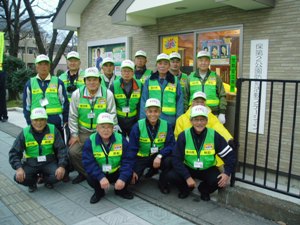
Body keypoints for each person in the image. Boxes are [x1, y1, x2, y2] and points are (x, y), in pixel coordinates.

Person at [166, 105, 235, 201]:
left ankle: (203, 190)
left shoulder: (214, 135)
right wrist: (187, 177)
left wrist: (227, 173)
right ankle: (186, 189)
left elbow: (230, 155)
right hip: (189, 167)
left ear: (206, 121)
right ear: (191, 121)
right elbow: (176, 159)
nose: (199, 123)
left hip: (207, 168)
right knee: (171, 176)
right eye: (196, 119)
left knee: (220, 182)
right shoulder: (184, 136)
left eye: (202, 120)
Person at [68, 67, 117, 184]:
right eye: (89, 80)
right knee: (73, 152)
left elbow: (112, 115)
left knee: (105, 152)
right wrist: (74, 134)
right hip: (83, 132)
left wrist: (111, 134)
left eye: (94, 79)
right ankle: (86, 174)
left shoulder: (107, 94)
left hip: (102, 132)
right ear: (84, 81)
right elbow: (73, 116)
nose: (92, 82)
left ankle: (101, 174)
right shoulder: (77, 94)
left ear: (99, 80)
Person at [8, 108, 68, 192]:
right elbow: (14, 152)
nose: (39, 123)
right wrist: (18, 168)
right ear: (31, 120)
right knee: (19, 177)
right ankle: (33, 182)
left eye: (42, 120)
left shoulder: (53, 129)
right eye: (35, 120)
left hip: (49, 162)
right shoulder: (25, 133)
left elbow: (62, 149)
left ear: (46, 120)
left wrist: (61, 166)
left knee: (60, 174)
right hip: (31, 163)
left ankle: (46, 180)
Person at [82, 113, 134, 204]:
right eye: (102, 127)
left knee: (128, 174)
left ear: (113, 128)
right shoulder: (90, 141)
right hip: (100, 172)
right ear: (97, 128)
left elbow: (128, 160)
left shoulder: (120, 139)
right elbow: (88, 163)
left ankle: (121, 191)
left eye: (109, 127)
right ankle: (99, 192)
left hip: (116, 171)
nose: (106, 130)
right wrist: (100, 177)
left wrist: (122, 178)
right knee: (90, 177)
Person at [130, 98, 175, 193]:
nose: (153, 114)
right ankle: (151, 170)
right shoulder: (137, 126)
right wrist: (131, 168)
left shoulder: (167, 125)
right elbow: (132, 149)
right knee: (132, 180)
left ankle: (163, 183)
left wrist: (160, 156)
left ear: (160, 112)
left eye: (156, 111)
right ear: (145, 112)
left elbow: (171, 145)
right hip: (142, 157)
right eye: (150, 111)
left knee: (169, 161)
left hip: (158, 156)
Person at [23, 54, 69, 135]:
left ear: (49, 66)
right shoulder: (30, 83)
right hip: (37, 123)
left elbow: (65, 103)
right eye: (40, 64)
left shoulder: (58, 82)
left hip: (56, 124)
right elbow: (26, 106)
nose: (43, 67)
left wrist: (65, 121)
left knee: (58, 146)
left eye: (46, 64)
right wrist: (29, 122)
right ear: (36, 67)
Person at [140, 53, 183, 128]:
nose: (162, 66)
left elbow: (180, 101)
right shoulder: (149, 80)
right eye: (160, 63)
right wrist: (143, 120)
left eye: (165, 64)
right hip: (152, 119)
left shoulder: (175, 80)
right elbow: (144, 100)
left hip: (170, 120)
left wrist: (179, 120)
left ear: (169, 66)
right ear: (156, 65)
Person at [185, 50, 227, 124]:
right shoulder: (190, 77)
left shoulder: (216, 77)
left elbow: (222, 95)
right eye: (201, 60)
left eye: (206, 60)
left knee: (212, 134)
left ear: (209, 62)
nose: (203, 63)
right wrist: (185, 112)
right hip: (195, 113)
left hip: (213, 113)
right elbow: (185, 97)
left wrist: (222, 112)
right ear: (197, 62)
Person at [110, 59, 141, 137]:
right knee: (120, 143)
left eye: (129, 71)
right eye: (124, 71)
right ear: (121, 72)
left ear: (133, 72)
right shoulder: (114, 85)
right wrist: (114, 122)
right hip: (119, 120)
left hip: (134, 120)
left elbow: (140, 104)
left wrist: (139, 120)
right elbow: (111, 105)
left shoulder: (140, 84)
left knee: (134, 143)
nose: (126, 73)